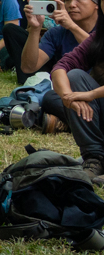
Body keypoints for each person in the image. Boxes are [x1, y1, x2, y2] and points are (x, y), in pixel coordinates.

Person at [43, 29, 104, 183]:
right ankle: (94, 159)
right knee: (74, 77)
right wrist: (67, 96)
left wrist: (92, 94)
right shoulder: (99, 37)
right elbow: (62, 66)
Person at [23, 0, 99, 88]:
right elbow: (28, 67)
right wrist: (35, 29)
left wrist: (72, 27)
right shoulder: (56, 33)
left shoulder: (100, 31)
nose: (72, 5)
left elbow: (99, 55)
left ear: (97, 3)